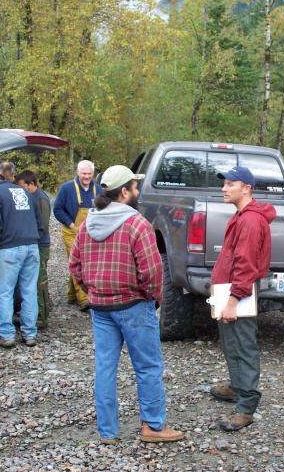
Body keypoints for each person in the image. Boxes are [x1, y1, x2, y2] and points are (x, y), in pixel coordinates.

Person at [68, 165, 185, 444]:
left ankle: (108, 431)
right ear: (124, 192)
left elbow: (74, 265)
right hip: (134, 305)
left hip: (101, 309)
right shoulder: (137, 224)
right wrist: (152, 298)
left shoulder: (87, 225)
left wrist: (92, 291)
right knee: (147, 367)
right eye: (134, 186)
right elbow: (153, 270)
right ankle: (153, 427)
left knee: (105, 367)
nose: (137, 191)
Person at [208, 166, 276, 432]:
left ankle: (247, 406)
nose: (224, 189)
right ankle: (237, 388)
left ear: (246, 188)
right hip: (229, 289)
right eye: (224, 184)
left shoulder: (249, 220)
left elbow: (246, 264)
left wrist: (234, 300)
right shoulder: (241, 215)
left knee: (243, 344)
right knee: (230, 341)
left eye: (230, 184)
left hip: (238, 293)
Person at [0, 172, 43, 348]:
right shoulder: (23, 191)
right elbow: (39, 220)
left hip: (9, 248)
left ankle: (7, 335)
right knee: (29, 291)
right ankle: (30, 333)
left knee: (5, 292)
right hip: (32, 246)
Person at [54, 160, 102, 311]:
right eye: (84, 174)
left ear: (93, 174)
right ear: (78, 173)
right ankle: (84, 299)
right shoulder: (67, 188)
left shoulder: (99, 190)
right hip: (71, 232)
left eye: (89, 174)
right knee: (78, 262)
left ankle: (71, 295)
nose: (87, 177)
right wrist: (71, 224)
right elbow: (57, 209)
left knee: (86, 262)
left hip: (91, 233)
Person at [16, 170, 51, 329]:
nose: (21, 189)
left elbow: (42, 226)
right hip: (33, 244)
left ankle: (42, 317)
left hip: (40, 246)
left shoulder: (41, 199)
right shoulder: (30, 197)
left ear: (31, 184)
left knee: (40, 281)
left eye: (23, 186)